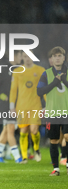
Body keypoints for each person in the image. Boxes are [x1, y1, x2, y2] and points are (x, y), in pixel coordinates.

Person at [37, 46, 68, 176]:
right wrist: (55, 82)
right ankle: (56, 168)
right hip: (52, 112)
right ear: (52, 59)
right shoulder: (46, 73)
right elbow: (39, 91)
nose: (57, 58)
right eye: (55, 56)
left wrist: (64, 81)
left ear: (64, 58)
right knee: (54, 140)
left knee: (67, 136)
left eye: (59, 55)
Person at [9, 51, 45, 164]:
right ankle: (24, 156)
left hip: (35, 105)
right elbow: (13, 90)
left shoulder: (41, 70)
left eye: (29, 56)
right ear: (22, 58)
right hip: (21, 106)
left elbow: (45, 89)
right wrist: (12, 106)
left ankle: (36, 149)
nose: (27, 58)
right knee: (23, 130)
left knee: (34, 130)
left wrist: (48, 105)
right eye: (25, 56)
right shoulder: (17, 71)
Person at [0, 51, 23, 163]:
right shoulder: (4, 68)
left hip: (14, 103)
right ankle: (17, 157)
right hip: (6, 104)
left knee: (6, 129)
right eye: (20, 55)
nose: (22, 58)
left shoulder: (19, 69)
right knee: (10, 128)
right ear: (13, 56)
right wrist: (3, 96)